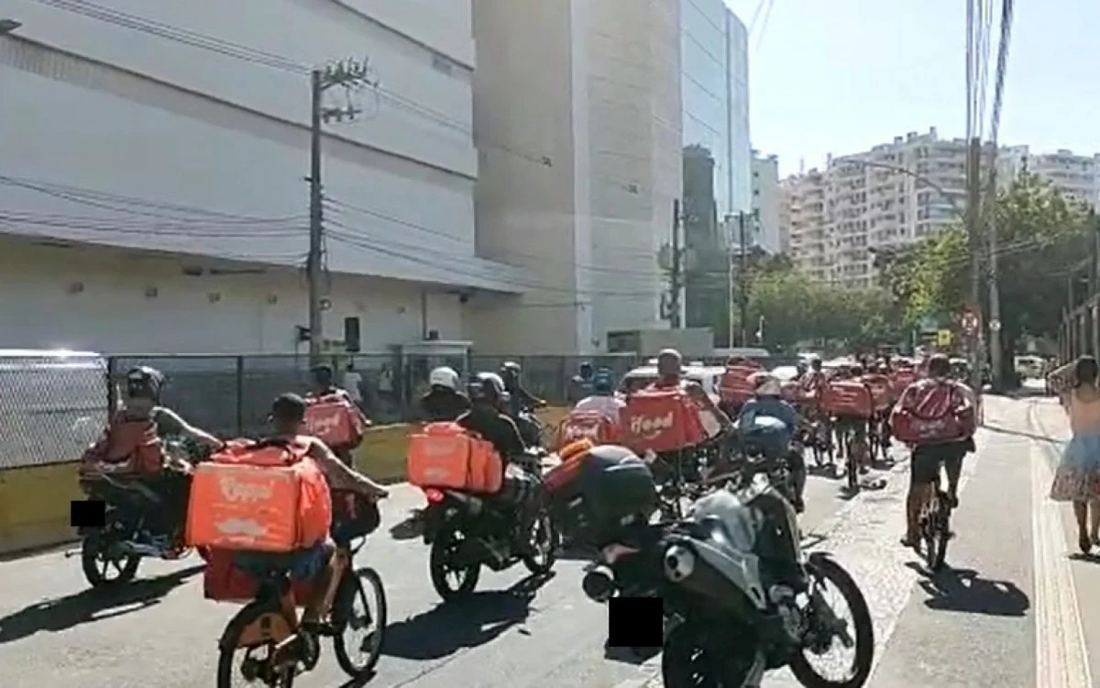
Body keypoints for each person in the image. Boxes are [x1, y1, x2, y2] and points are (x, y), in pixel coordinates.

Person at [236, 394, 388, 635]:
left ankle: (284, 623)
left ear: (273, 419)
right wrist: (376, 490)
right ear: (303, 419)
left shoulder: (260, 449)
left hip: (251, 546)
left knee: (276, 571)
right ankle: (312, 617)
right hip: (292, 546)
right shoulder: (309, 446)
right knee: (330, 552)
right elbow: (345, 476)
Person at [80, 366, 224, 548]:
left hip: (112, 470)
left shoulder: (119, 414)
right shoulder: (157, 414)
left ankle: (87, 529)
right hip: (144, 470)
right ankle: (165, 535)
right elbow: (190, 432)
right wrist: (220, 445)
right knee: (187, 483)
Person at [895, 354, 973, 548]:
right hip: (951, 443)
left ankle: (912, 533)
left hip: (924, 444)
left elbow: (898, 413)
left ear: (928, 369)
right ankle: (952, 491)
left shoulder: (915, 389)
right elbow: (968, 414)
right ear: (949, 371)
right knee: (958, 451)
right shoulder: (956, 389)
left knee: (916, 489)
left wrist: (909, 436)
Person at [456, 373, 542, 548]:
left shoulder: (461, 421)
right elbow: (520, 451)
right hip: (495, 483)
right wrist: (535, 453)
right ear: (495, 396)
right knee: (536, 489)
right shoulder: (503, 423)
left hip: (464, 482)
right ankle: (524, 540)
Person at [1049, 355, 1100, 553]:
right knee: (1097, 494)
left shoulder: (1071, 395)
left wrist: (1073, 366)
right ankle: (1095, 531)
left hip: (1078, 447)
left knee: (1079, 494)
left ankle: (1082, 531)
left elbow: (1053, 378)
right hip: (1098, 446)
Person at [737, 372, 806, 512]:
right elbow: (799, 422)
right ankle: (798, 498)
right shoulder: (783, 406)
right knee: (799, 465)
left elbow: (741, 423)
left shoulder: (750, 405)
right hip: (780, 451)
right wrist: (811, 429)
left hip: (751, 451)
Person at [307, 364, 371, 464]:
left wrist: (363, 420)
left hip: (338, 445)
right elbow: (354, 409)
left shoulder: (338, 396)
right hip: (327, 445)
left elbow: (353, 409)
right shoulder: (312, 399)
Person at [500, 361, 546, 446]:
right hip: (513, 417)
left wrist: (538, 401)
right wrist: (539, 402)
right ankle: (532, 447)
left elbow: (525, 396)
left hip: (513, 415)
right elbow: (525, 397)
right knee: (534, 427)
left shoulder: (507, 388)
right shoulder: (506, 390)